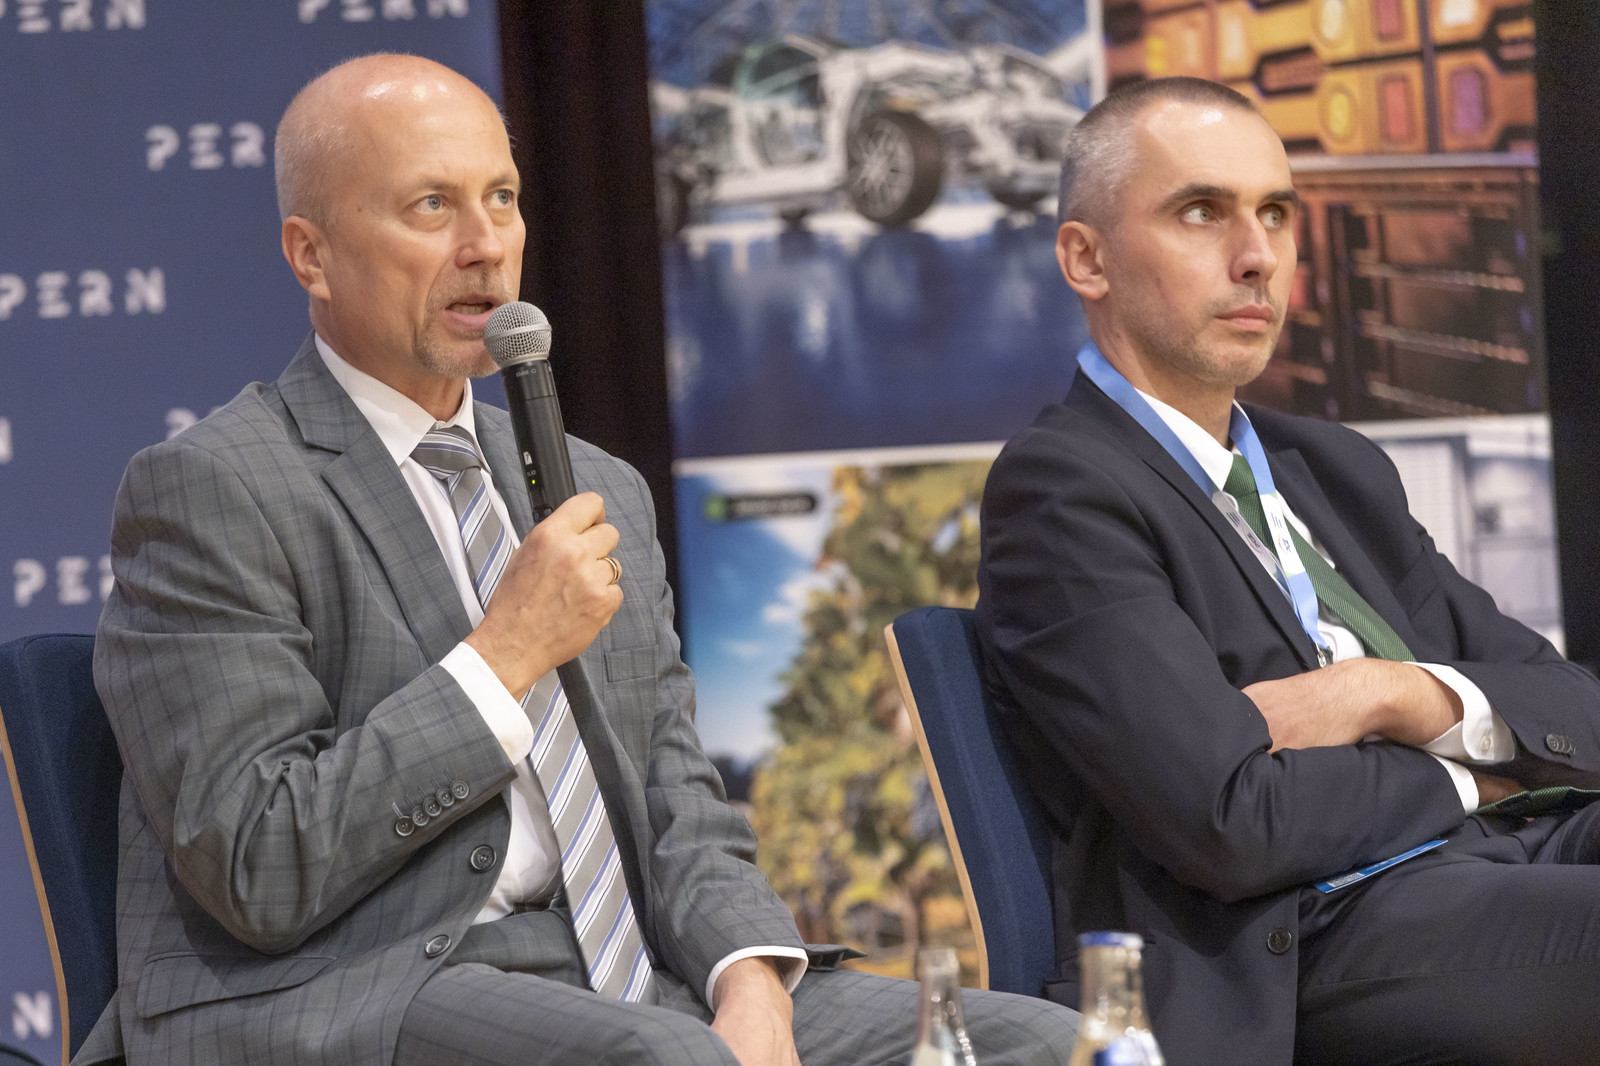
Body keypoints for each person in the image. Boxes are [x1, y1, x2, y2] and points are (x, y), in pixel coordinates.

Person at [81, 54, 1079, 1066]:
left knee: (1048, 1046)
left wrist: (750, 979)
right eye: (432, 206)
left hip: (634, 974)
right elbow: (258, 859)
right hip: (372, 985)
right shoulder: (216, 487)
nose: (485, 245)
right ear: (313, 255)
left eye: (501, 199)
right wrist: (503, 657)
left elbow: (677, 794)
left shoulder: (595, 485)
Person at [975, 76, 1600, 1066]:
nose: (1257, 255)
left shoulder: (1332, 468)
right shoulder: (1061, 492)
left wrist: (1390, 692)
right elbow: (1233, 821)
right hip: (1308, 936)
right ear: (1086, 259)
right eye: (1201, 212)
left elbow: (1574, 706)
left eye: (1275, 213)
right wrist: (1471, 775)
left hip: (1512, 854)